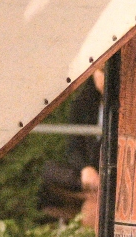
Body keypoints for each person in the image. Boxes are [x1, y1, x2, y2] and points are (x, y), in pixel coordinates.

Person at [38, 68, 104, 224]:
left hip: (112, 173)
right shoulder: (82, 104)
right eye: (101, 72)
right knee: (50, 171)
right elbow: (73, 146)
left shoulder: (128, 108)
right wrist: (85, 169)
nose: (104, 79)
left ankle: (94, 196)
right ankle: (92, 194)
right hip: (87, 177)